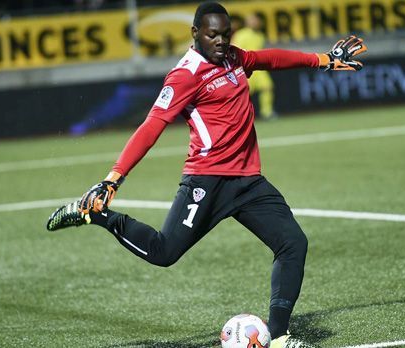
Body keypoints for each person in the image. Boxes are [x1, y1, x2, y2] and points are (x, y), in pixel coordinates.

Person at [46, 2, 366, 347]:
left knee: (293, 243)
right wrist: (114, 178)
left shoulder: (232, 57)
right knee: (163, 252)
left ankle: (278, 335)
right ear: (195, 33)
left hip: (248, 181)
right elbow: (151, 126)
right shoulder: (185, 75)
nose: (221, 41)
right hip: (207, 181)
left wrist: (323, 59)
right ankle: (96, 214)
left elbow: (269, 59)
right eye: (213, 34)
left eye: (226, 34)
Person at [231, 13, 277, 120]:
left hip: (259, 68)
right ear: (247, 23)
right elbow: (234, 48)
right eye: (252, 20)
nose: (254, 22)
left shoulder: (260, 35)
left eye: (256, 20)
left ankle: (267, 112)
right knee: (243, 94)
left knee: (267, 87)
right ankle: (239, 115)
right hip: (245, 68)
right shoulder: (241, 34)